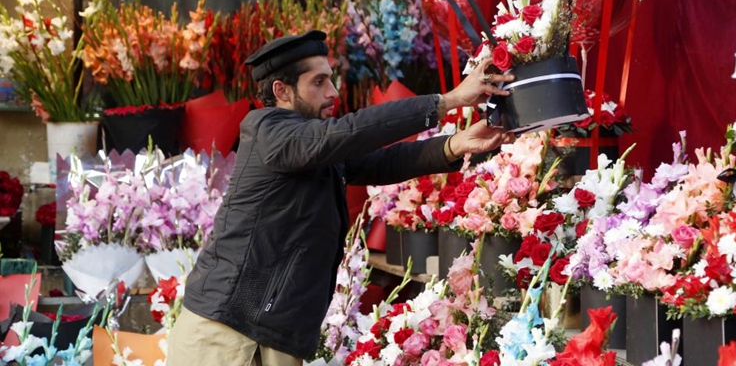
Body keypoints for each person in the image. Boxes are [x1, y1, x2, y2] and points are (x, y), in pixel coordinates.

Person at [168, 30, 514, 366]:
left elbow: (382, 162)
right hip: (228, 329)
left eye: (330, 79)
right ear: (281, 90)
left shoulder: (309, 145)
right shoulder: (266, 130)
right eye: (318, 82)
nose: (333, 92)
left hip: (273, 330)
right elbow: (346, 133)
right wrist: (448, 101)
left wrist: (456, 144)